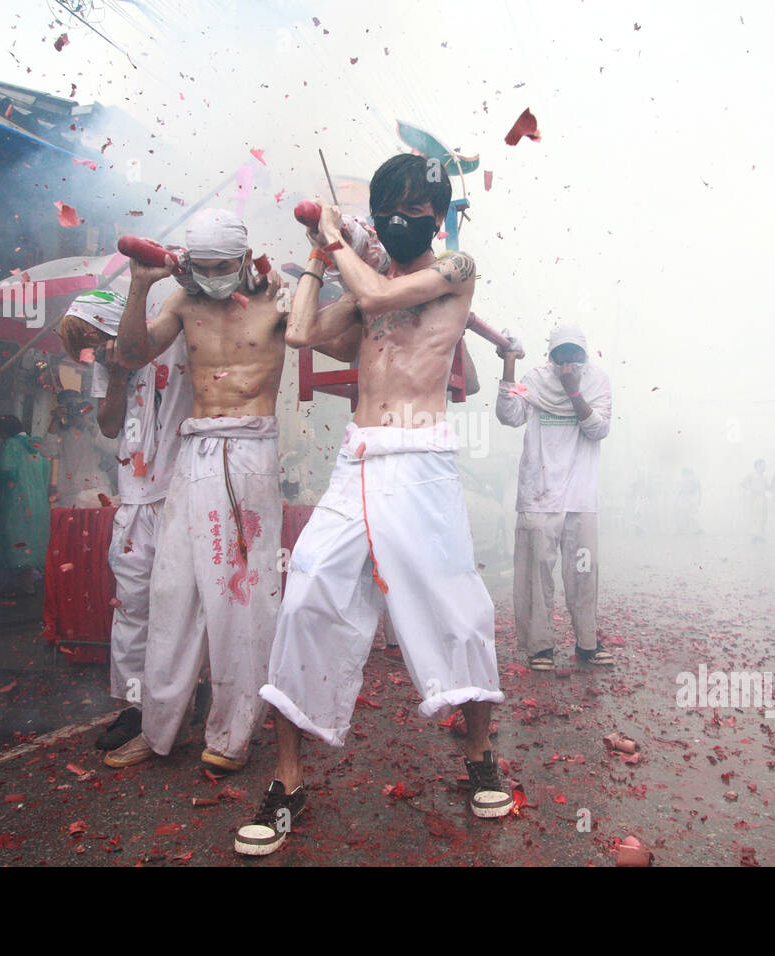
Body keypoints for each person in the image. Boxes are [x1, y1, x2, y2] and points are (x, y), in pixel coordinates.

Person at [235, 154, 511, 858]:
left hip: (420, 462)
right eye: (391, 206)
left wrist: (335, 239)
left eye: (417, 207)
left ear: (438, 216)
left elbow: (386, 300)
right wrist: (314, 257)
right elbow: (300, 333)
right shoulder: (364, 288)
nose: (403, 217)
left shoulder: (454, 272)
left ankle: (480, 757)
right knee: (303, 602)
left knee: (457, 612)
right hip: (356, 460)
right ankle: (289, 781)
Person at [107, 209, 357, 772]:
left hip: (247, 454)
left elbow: (326, 339)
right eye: (203, 267)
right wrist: (138, 287)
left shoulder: (278, 296)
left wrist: (342, 282)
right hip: (192, 452)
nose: (214, 276)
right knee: (172, 591)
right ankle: (159, 728)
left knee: (239, 600)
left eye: (223, 266)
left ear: (245, 258)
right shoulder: (182, 301)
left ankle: (231, 734)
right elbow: (129, 357)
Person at [56, 289, 193, 752]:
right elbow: (110, 425)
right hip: (135, 500)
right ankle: (135, 708)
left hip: (183, 491)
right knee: (132, 606)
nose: (98, 356)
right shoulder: (106, 364)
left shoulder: (172, 339)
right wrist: (114, 375)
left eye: (102, 344)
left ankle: (189, 694)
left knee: (184, 604)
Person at [496, 323, 613, 671]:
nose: (568, 363)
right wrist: (509, 364)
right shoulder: (534, 380)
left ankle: (587, 644)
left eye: (574, 355)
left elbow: (599, 429)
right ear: (551, 356)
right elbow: (509, 415)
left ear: (584, 356)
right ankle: (539, 647)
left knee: (583, 572)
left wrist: (574, 391)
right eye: (561, 355)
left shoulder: (597, 381)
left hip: (580, 497)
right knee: (536, 574)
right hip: (538, 494)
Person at [0, 415, 49, 595]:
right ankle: (28, 579)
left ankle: (24, 582)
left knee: (16, 537)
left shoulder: (10, 445)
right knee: (33, 537)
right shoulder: (37, 445)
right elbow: (46, 471)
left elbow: (6, 470)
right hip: (38, 499)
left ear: (4, 431)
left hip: (17, 499)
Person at [41, 390, 116, 508]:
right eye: (69, 407)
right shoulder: (60, 430)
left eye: (76, 406)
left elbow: (112, 448)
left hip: (95, 490)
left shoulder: (95, 426)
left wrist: (87, 423)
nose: (73, 411)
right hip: (69, 492)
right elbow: (46, 452)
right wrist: (55, 420)